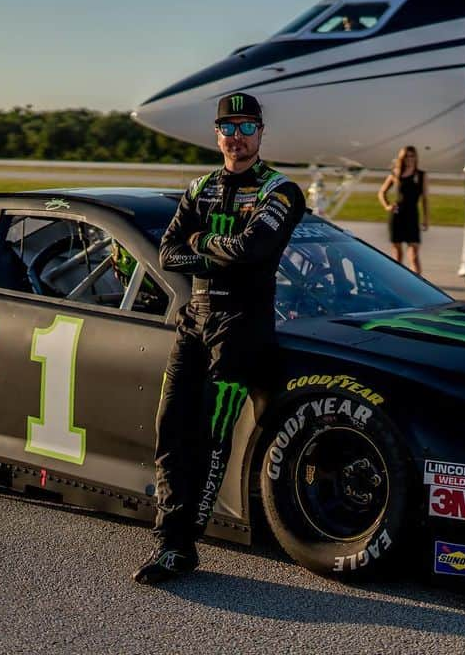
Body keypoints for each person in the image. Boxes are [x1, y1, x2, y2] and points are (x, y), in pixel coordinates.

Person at [132, 91, 305, 585]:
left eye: (247, 128)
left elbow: (254, 251)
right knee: (170, 428)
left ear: (261, 133)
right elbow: (167, 254)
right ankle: (169, 539)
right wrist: (216, 250)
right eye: (228, 128)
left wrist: (201, 242)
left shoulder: (282, 190)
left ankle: (183, 545)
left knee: (212, 439)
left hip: (242, 326)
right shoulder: (200, 187)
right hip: (194, 321)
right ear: (217, 134)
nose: (237, 138)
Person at [377, 145, 429, 273]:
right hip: (397, 214)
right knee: (397, 253)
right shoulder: (396, 173)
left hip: (412, 215)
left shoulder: (421, 175)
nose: (409, 159)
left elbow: (425, 199)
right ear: (402, 158)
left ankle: (418, 285)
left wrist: (426, 219)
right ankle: (398, 282)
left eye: (412, 156)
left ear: (416, 157)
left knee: (414, 253)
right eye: (406, 156)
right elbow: (381, 192)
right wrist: (387, 206)